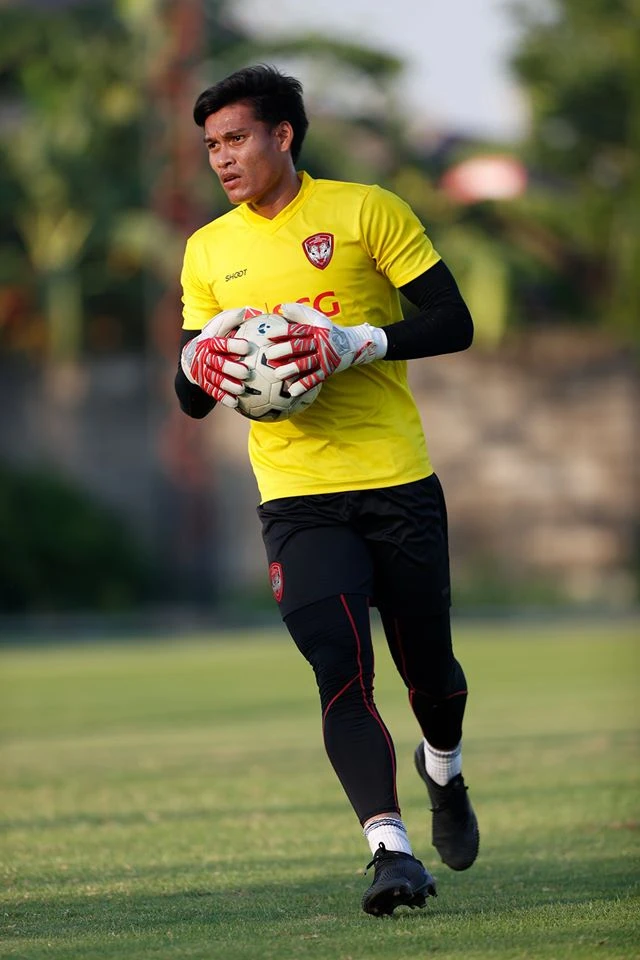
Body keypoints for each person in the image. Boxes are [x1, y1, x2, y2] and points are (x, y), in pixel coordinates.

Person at [175, 64, 479, 917]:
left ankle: (444, 770)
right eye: (211, 145)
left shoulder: (365, 211)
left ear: (283, 135)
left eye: (236, 139)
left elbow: (453, 321)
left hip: (395, 479)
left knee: (432, 676)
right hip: (297, 496)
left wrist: (356, 342)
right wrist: (197, 362)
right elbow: (192, 395)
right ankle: (390, 851)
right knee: (340, 669)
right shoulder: (208, 250)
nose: (221, 158)